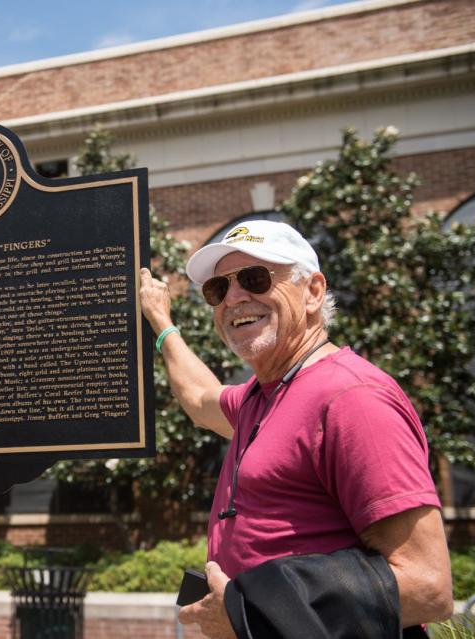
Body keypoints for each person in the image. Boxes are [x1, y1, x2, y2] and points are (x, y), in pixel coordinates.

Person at [138, 220, 453, 638]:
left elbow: (428, 587)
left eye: (255, 278)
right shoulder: (259, 396)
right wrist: (162, 323)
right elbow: (200, 401)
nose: (233, 298)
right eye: (218, 288)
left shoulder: (352, 398)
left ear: (313, 292)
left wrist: (244, 614)